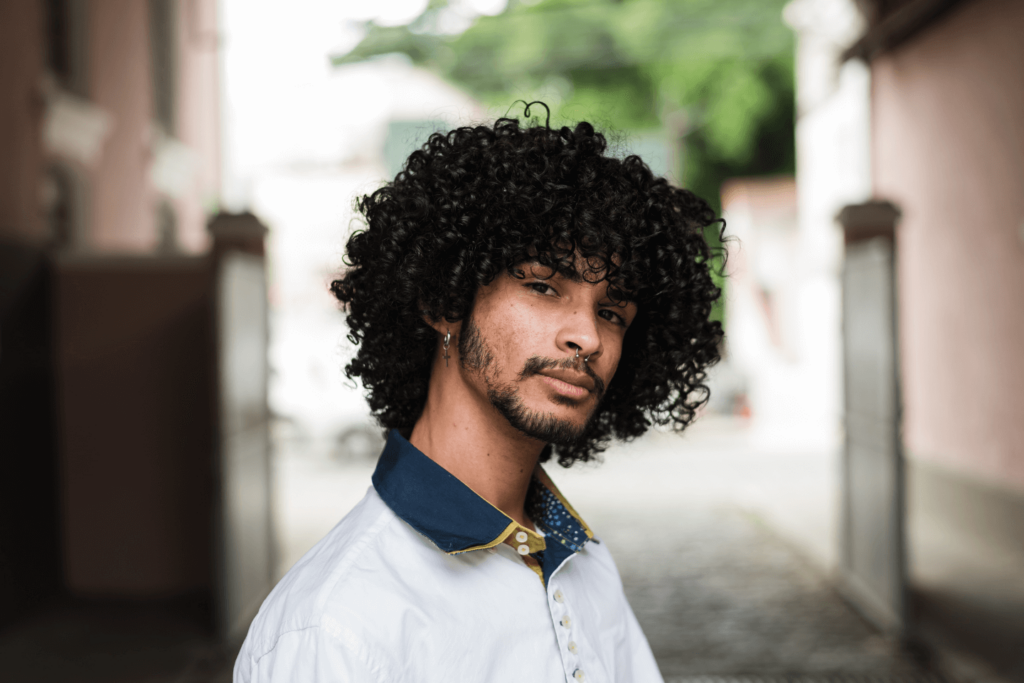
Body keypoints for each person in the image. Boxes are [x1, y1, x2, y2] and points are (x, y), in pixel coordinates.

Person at [234, 106, 724, 683]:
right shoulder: (335, 628)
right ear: (445, 301)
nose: (587, 337)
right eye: (543, 285)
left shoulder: (584, 565)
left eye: (612, 312)